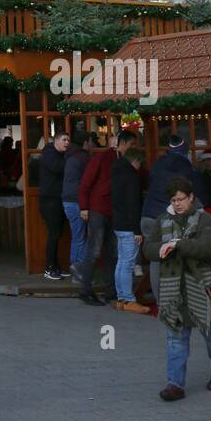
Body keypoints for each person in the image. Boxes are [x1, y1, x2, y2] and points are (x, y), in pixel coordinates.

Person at [143, 176, 211, 400]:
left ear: (191, 197)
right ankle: (175, 384)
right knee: (175, 338)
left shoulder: (206, 220)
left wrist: (180, 244)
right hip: (174, 290)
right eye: (174, 200)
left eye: (181, 199)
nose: (177, 203)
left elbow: (210, 247)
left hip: (203, 287)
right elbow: (148, 249)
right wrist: (161, 248)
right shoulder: (162, 220)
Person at [76, 130, 137, 306]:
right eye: (131, 144)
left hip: (114, 211)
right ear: (123, 143)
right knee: (94, 251)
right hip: (98, 209)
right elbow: (85, 182)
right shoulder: (103, 158)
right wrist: (84, 206)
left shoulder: (126, 162)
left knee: (112, 253)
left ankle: (111, 291)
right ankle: (85, 290)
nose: (133, 147)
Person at [141, 129, 196, 303]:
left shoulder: (158, 164)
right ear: (185, 150)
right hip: (165, 218)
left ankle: (160, 301)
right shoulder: (185, 166)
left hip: (147, 215)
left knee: (156, 261)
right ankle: (174, 302)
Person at [111, 145, 150, 312]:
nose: (140, 167)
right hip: (129, 226)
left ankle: (121, 298)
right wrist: (137, 230)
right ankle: (128, 299)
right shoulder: (132, 178)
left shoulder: (116, 173)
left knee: (121, 263)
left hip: (118, 224)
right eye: (139, 163)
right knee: (127, 264)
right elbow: (134, 205)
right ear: (135, 161)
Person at [61, 131, 94, 276]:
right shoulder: (84, 157)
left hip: (67, 200)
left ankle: (76, 268)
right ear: (86, 143)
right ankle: (79, 271)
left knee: (77, 237)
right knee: (82, 237)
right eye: (92, 142)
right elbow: (89, 181)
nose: (93, 145)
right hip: (78, 201)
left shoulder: (70, 155)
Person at [38, 130, 70, 280]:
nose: (66, 143)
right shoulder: (50, 154)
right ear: (56, 141)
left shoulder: (57, 154)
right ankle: (49, 267)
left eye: (68, 140)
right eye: (64, 140)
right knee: (54, 235)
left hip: (57, 199)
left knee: (57, 234)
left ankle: (55, 266)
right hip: (49, 201)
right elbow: (59, 168)